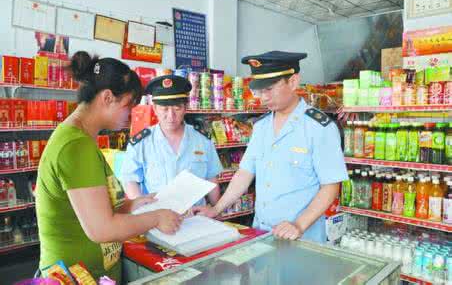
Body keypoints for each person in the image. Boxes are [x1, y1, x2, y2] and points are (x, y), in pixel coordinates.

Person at [36, 51, 182, 281]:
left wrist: (131, 205)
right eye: (127, 105)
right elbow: (101, 229)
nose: (131, 114)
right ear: (106, 98)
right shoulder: (76, 145)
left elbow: (92, 208)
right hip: (76, 277)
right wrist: (156, 217)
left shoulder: (82, 138)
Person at [194, 51, 348, 242]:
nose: (262, 97)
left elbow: (331, 186)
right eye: (259, 91)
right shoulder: (261, 126)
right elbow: (244, 173)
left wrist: (299, 225)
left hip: (301, 237)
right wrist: (216, 209)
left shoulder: (319, 127)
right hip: (261, 232)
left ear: (293, 82)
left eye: (269, 89)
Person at [121, 75, 222, 207]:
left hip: (195, 218)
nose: (170, 116)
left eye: (176, 108)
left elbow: (211, 178)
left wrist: (216, 211)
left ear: (185, 108)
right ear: (155, 109)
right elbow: (130, 180)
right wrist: (143, 209)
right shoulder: (141, 143)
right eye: (165, 109)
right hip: (157, 219)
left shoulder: (202, 140)